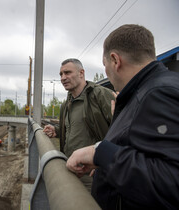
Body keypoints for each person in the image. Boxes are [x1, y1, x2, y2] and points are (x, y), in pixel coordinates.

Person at [66, 24, 179, 209]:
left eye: (105, 66)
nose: (106, 73)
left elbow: (171, 182)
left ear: (115, 60)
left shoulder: (159, 94)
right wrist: (107, 168)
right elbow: (144, 152)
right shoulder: (144, 92)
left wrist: (100, 153)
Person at [43, 58, 114, 191]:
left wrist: (102, 160)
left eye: (67, 73)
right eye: (61, 74)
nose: (63, 78)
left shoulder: (100, 95)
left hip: (93, 174)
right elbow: (74, 129)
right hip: (70, 168)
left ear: (81, 73)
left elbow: (121, 130)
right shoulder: (66, 103)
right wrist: (57, 131)